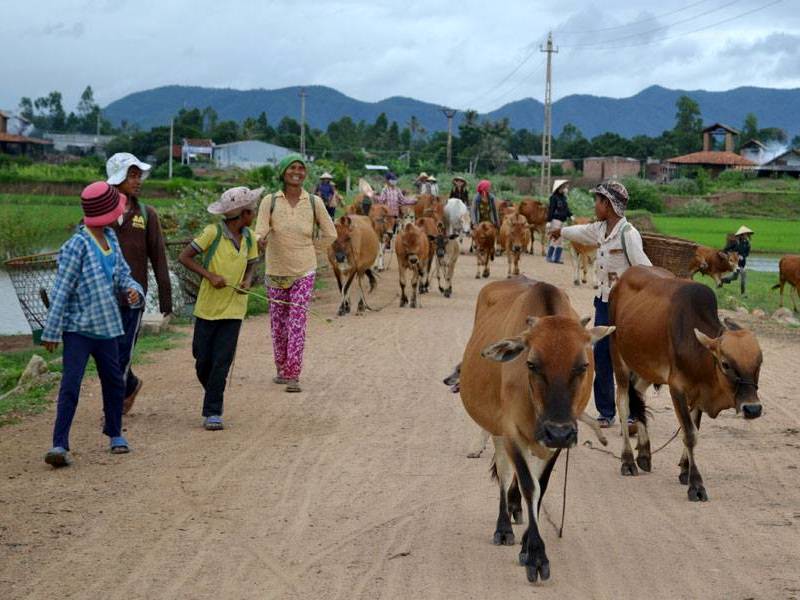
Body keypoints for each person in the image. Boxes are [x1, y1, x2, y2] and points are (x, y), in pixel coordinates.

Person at [41, 182, 144, 467]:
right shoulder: (77, 245)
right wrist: (52, 331)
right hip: (78, 331)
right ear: (106, 213)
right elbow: (61, 289)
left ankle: (115, 434)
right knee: (70, 384)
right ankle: (59, 444)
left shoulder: (110, 238)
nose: (120, 214)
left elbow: (124, 274)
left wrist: (134, 289)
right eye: (116, 209)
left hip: (107, 328)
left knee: (113, 382)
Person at [550, 181, 652, 428]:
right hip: (604, 304)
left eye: (597, 201)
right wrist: (560, 231)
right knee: (602, 358)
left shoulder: (629, 234)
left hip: (627, 308)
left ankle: (633, 414)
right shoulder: (600, 229)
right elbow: (581, 232)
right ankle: (606, 412)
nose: (595, 205)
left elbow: (644, 270)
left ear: (608, 204)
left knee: (631, 360)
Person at [178, 187, 261, 430]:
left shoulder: (248, 237)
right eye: (251, 210)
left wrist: (247, 280)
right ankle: (214, 389)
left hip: (234, 310)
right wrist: (209, 275)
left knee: (221, 361)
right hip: (207, 309)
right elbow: (185, 257)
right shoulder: (212, 233)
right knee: (202, 360)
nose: (254, 214)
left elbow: (252, 264)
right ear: (243, 214)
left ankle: (213, 410)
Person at [255, 154, 336, 393]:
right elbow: (259, 231)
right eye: (292, 168)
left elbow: (330, 234)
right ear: (283, 172)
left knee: (297, 322)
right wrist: (259, 241)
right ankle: (281, 367)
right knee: (278, 324)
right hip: (275, 271)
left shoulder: (314, 202)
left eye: (301, 168)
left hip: (304, 271)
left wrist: (313, 250)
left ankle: (293, 374)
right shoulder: (269, 201)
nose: (297, 172)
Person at [105, 152, 173, 415]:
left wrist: (166, 298)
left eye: (138, 175)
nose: (138, 181)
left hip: (134, 297)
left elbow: (158, 258)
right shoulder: (100, 212)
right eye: (132, 175)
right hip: (103, 297)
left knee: (122, 352)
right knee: (107, 354)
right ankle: (130, 385)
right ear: (118, 178)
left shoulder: (147, 214)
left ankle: (112, 408)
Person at [545, 179, 572, 264]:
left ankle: (556, 258)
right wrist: (549, 221)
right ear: (559, 188)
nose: (565, 188)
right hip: (555, 220)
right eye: (563, 187)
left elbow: (566, 209)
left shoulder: (564, 198)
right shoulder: (553, 198)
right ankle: (549, 257)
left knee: (561, 240)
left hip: (563, 221)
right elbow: (551, 209)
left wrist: (571, 215)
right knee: (554, 238)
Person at [721, 225, 753, 295]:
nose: (746, 235)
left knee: (740, 278)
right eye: (745, 234)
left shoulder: (747, 244)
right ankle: (722, 280)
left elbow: (747, 254)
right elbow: (725, 250)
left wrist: (742, 256)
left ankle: (743, 293)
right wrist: (732, 254)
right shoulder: (735, 242)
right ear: (741, 235)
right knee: (735, 277)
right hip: (734, 264)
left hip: (742, 264)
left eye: (747, 234)